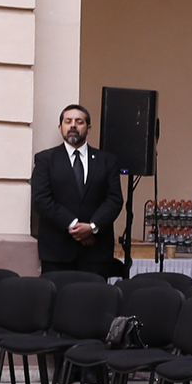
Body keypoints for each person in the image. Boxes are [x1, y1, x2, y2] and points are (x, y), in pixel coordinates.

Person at [29, 104, 122, 276]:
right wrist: (75, 226)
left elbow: (114, 200)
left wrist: (93, 227)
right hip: (57, 252)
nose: (73, 125)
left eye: (79, 122)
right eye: (68, 121)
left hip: (96, 251)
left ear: (88, 128)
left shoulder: (107, 161)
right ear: (60, 127)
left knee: (94, 301)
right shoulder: (46, 160)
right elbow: (41, 199)